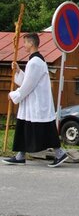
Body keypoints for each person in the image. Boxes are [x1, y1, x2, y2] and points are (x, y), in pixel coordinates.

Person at [3, 33, 68, 168]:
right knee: (24, 127)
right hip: (32, 103)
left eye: (25, 42)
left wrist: (13, 95)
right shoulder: (35, 61)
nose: (24, 45)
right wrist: (19, 71)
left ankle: (59, 153)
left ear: (31, 43)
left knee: (45, 130)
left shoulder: (35, 62)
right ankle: (20, 156)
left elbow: (27, 86)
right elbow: (27, 80)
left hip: (37, 103)